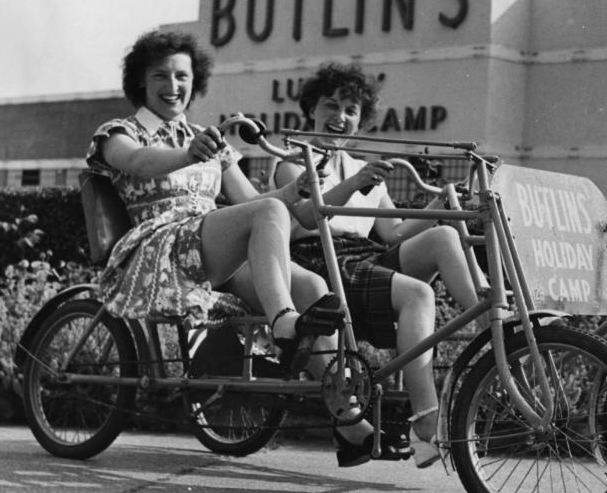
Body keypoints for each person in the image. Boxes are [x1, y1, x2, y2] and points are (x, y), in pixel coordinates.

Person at [86, 31, 412, 464]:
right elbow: (138, 163)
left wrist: (297, 187)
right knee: (271, 224)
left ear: (194, 81)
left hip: (209, 245)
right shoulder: (120, 132)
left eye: (182, 76)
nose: (173, 86)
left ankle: (348, 419)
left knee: (313, 288)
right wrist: (188, 155)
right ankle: (283, 324)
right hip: (160, 246)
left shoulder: (205, 137)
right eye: (160, 76)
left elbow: (251, 203)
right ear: (141, 83)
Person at [271, 62, 486, 468]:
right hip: (320, 258)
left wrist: (439, 202)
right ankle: (425, 419)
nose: (340, 117)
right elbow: (300, 220)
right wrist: (354, 184)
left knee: (443, 236)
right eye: (331, 106)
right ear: (311, 111)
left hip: (359, 259)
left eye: (351, 110)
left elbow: (393, 234)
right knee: (419, 293)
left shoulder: (362, 169)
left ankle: (491, 320)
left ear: (361, 120)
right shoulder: (295, 161)